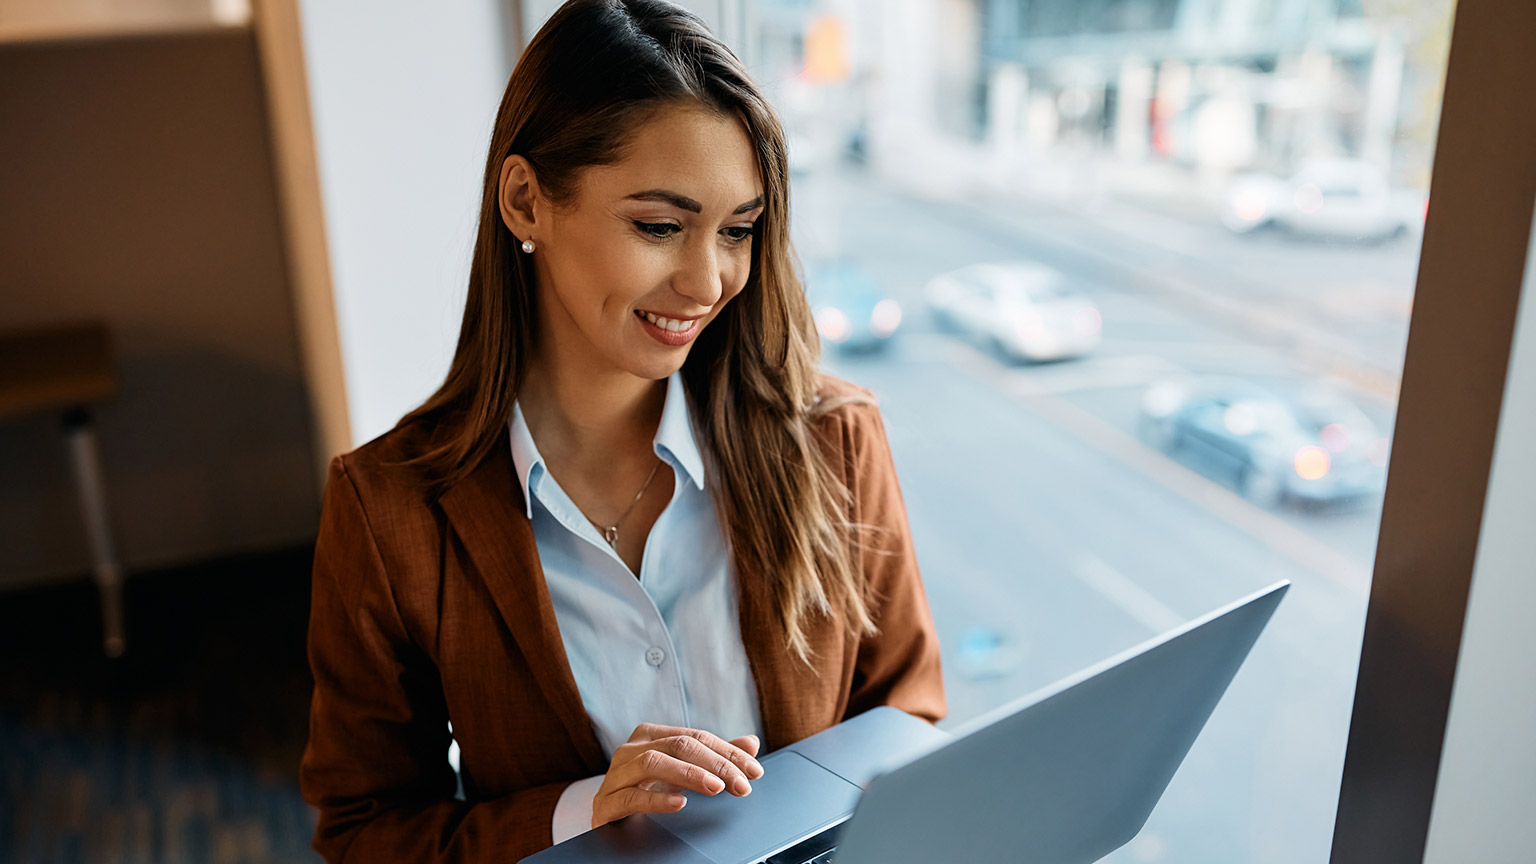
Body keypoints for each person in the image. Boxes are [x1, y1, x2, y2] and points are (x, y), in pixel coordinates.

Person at [298, 1, 944, 861]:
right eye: (660, 226)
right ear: (526, 201)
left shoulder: (835, 439)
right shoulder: (389, 513)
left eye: (738, 231)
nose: (708, 279)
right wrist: (579, 814)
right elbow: (363, 833)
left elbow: (910, 724)